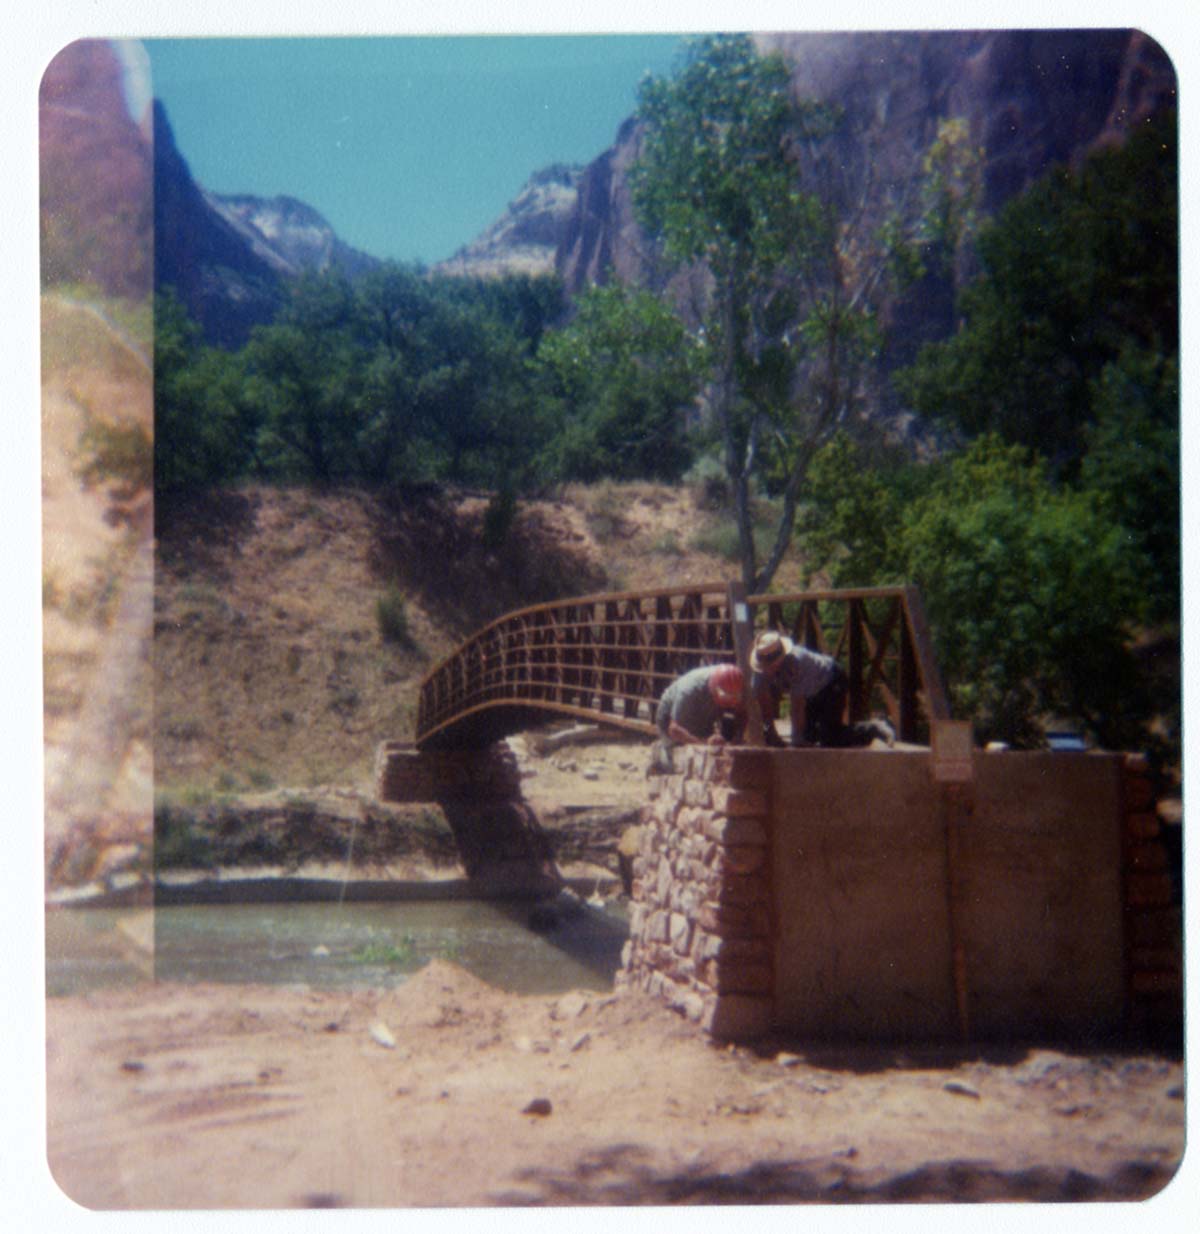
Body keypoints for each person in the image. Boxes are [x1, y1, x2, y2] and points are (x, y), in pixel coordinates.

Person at [750, 630, 894, 748]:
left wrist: (795, 741)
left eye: (772, 665)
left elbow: (797, 705)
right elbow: (760, 697)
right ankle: (824, 728)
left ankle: (874, 728)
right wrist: (770, 731)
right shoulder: (759, 667)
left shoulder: (797, 663)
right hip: (811, 692)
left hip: (830, 681)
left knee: (831, 740)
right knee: (810, 737)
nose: (767, 669)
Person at [652, 663, 746, 771]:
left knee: (710, 763)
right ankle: (662, 752)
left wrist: (736, 740)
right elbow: (674, 730)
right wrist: (704, 745)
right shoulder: (689, 690)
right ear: (713, 688)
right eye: (726, 698)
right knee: (677, 767)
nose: (730, 702)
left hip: (703, 713)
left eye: (733, 698)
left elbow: (742, 713)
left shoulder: (735, 684)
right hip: (670, 719)